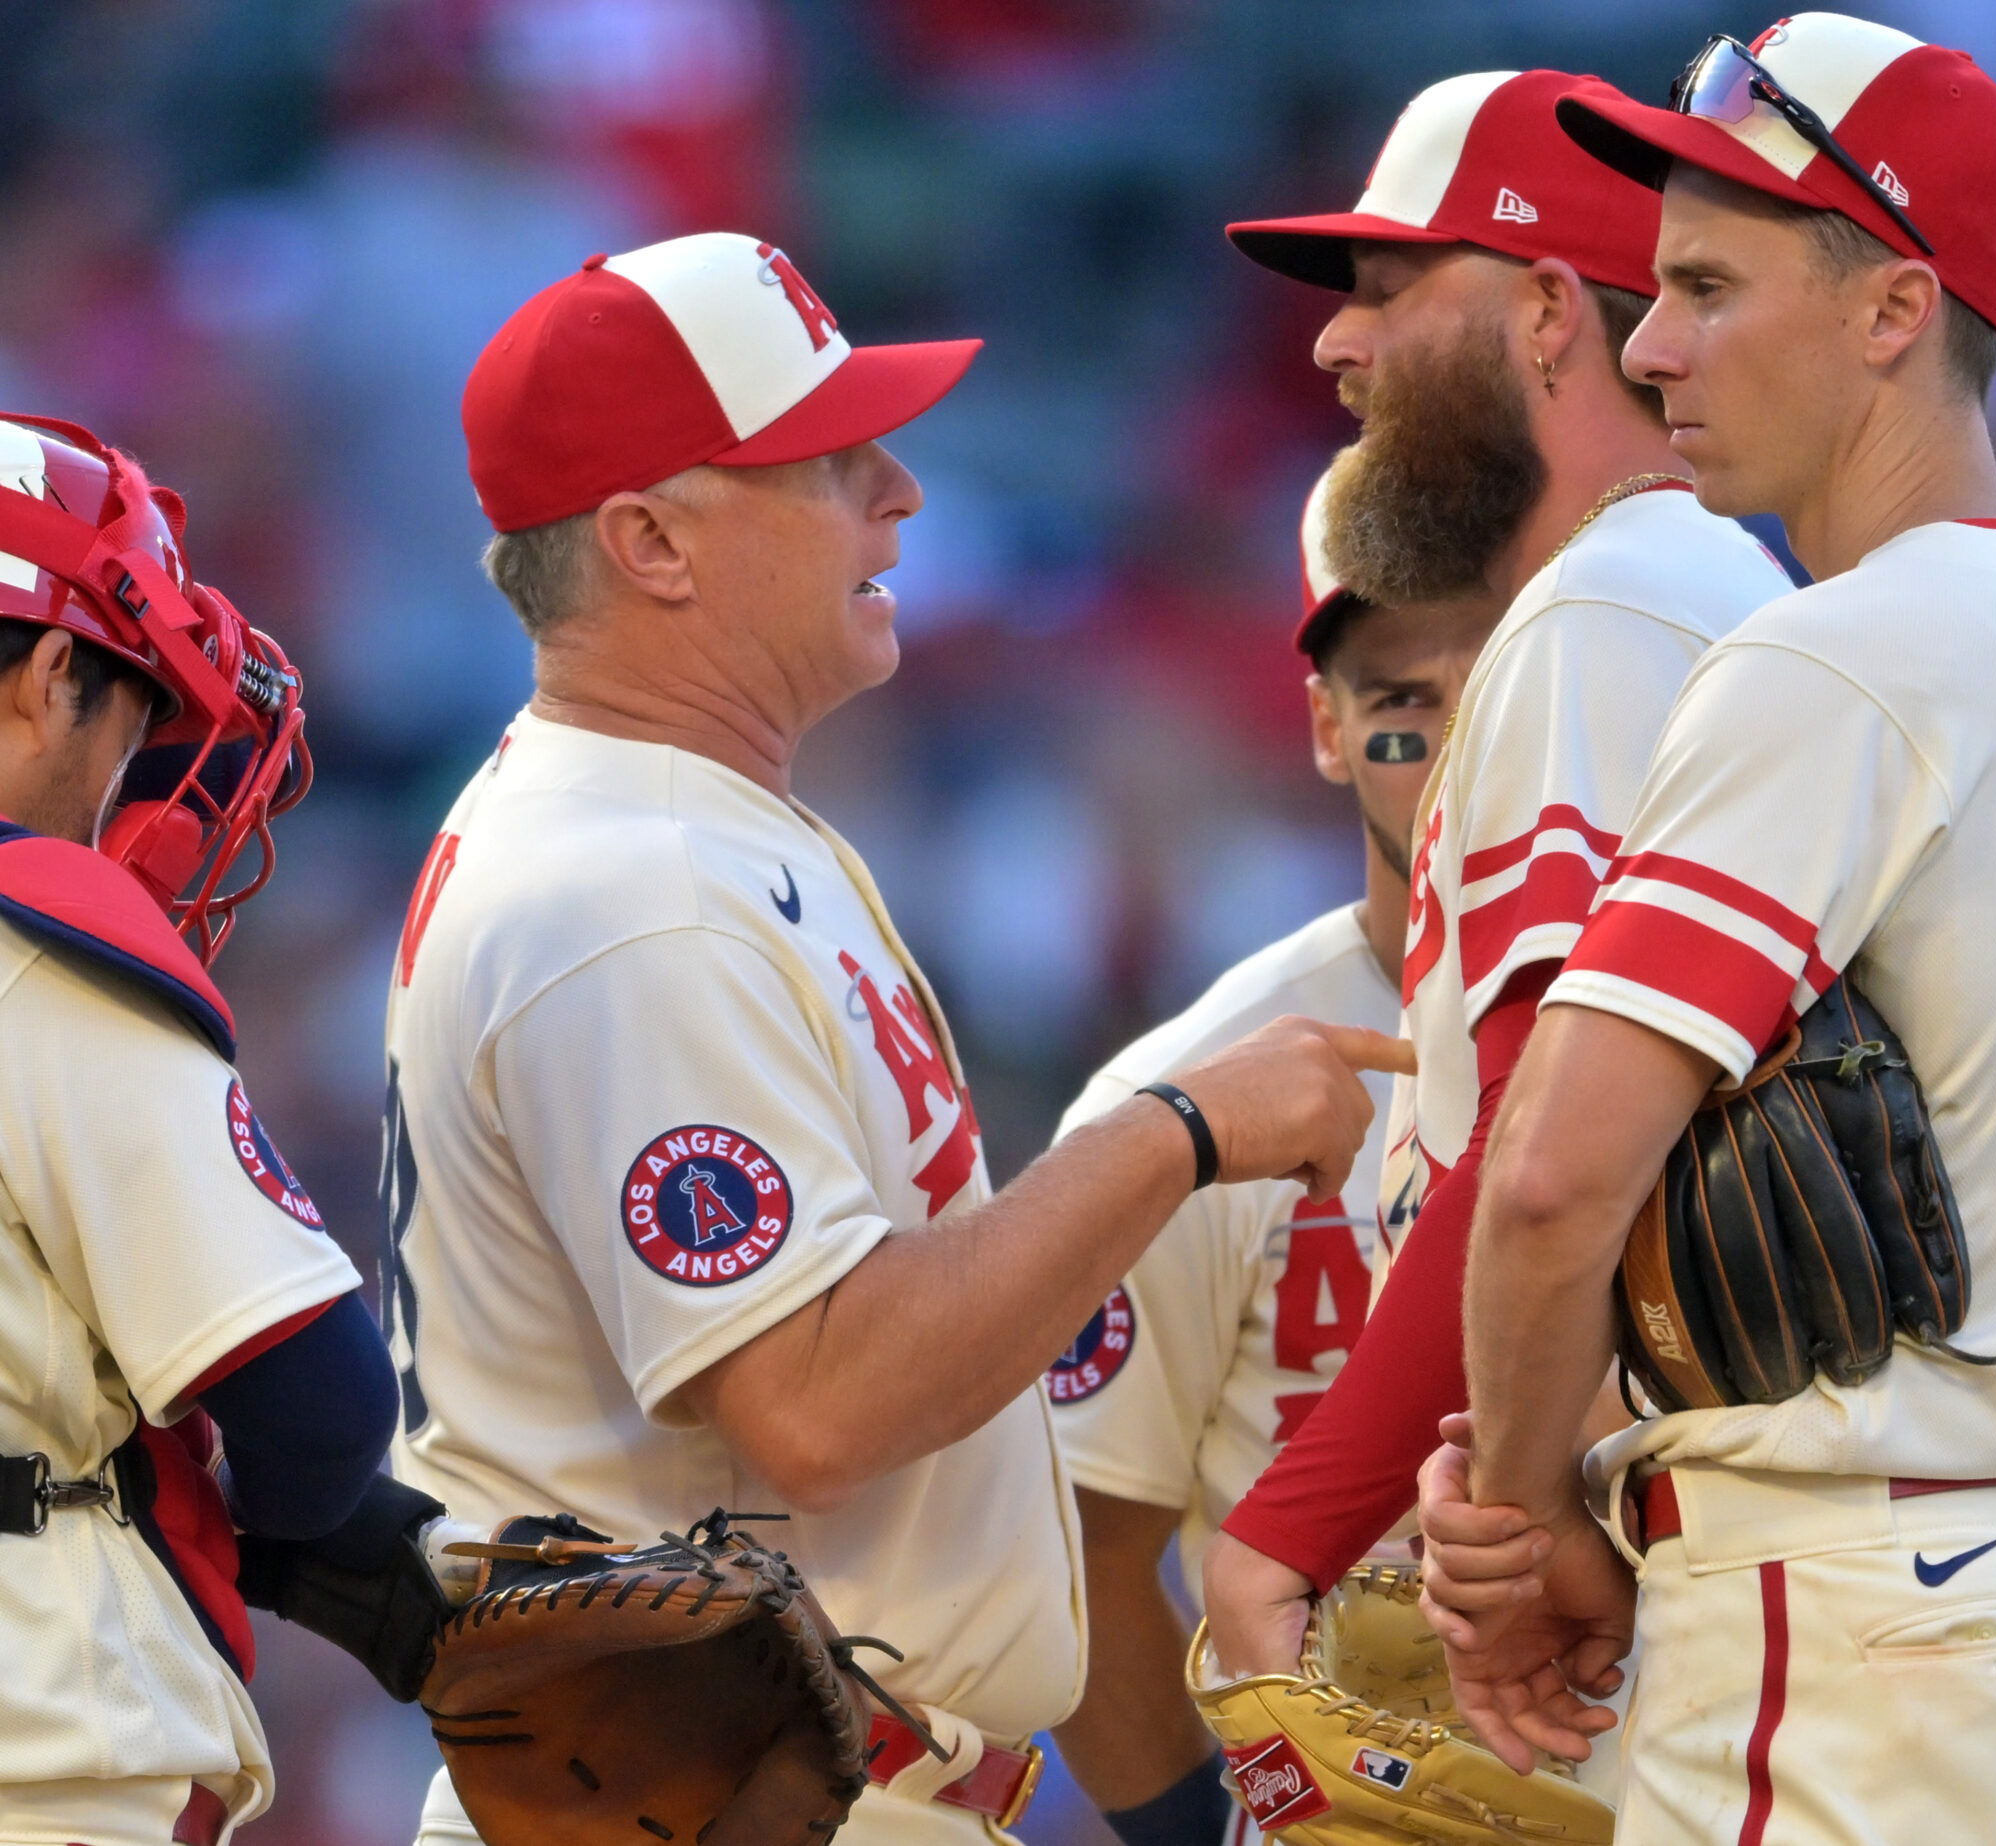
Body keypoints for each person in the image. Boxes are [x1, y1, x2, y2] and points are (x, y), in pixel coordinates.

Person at [381, 232, 1405, 1846]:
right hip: (720, 1794)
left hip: (773, 1788)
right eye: (828, 461)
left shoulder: (690, 825)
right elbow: (822, 1403)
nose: (902, 493)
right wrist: (1177, 1133)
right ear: (650, 541)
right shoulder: (632, 889)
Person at [1417, 17, 1996, 1844]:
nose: (1647, 341)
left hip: (1871, 1626)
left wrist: (1527, 1516)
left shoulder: (1840, 650)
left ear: (1891, 313)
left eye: (1710, 282)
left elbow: (1551, 1180)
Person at [1197, 69, 1795, 1675]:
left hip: (1676, 1573)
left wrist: (1297, 1525)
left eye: (1391, 290)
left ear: (1547, 311)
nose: (1336, 342)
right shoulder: (1704, 586)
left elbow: (1544, 1143)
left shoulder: (1606, 610)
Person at [1046, 462, 1506, 1846]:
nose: (1448, 751)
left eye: (1496, 695)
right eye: (1397, 705)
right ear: (1322, 723)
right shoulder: (1187, 1095)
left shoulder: (1701, 1035)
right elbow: (1084, 1556)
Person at [0, 415, 398, 1846]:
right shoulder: (39, 937)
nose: (135, 783)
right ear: (53, 676)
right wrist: (312, 1527)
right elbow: (321, 1402)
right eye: (135, 719)